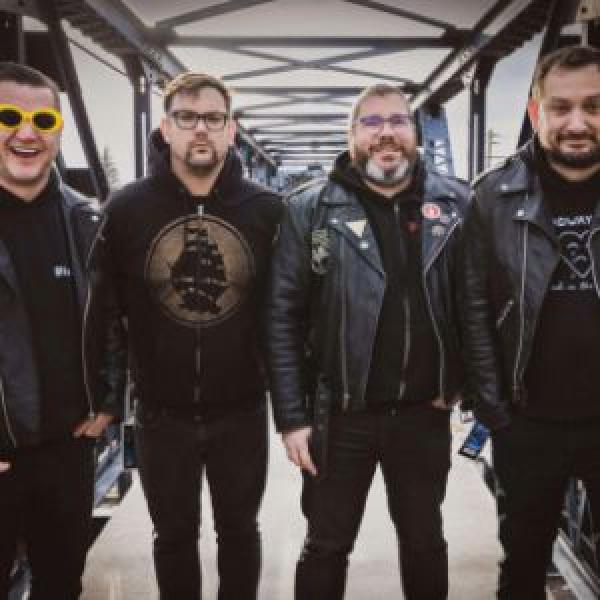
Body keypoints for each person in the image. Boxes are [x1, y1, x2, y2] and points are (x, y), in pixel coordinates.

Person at [267, 83, 468, 600]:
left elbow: (476, 303)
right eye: (372, 122)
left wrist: (461, 385)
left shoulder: (455, 203)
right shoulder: (310, 208)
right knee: (326, 545)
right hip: (339, 415)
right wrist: (291, 418)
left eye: (398, 121)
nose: (386, 133)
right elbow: (281, 316)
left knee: (425, 542)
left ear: (415, 132)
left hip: (423, 413)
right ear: (352, 134)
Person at [100, 72, 282, 600]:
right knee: (173, 536)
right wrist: (110, 399)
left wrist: (298, 408)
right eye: (186, 117)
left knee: (240, 531)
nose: (200, 129)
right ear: (166, 128)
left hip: (241, 408)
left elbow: (290, 313)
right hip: (161, 412)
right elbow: (105, 313)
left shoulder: (267, 211)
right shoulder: (126, 209)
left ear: (231, 129)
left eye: (213, 118)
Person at [462, 45, 600, 600]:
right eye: (561, 107)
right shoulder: (492, 196)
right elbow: (472, 309)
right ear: (536, 111)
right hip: (529, 422)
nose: (577, 123)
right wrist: (495, 411)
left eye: (594, 106)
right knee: (522, 566)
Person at [0, 62, 125, 599]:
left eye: (43, 120)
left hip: (68, 450)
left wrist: (109, 400)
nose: (26, 133)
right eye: (9, 117)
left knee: (60, 584)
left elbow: (113, 321)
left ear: (58, 131)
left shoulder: (86, 220)